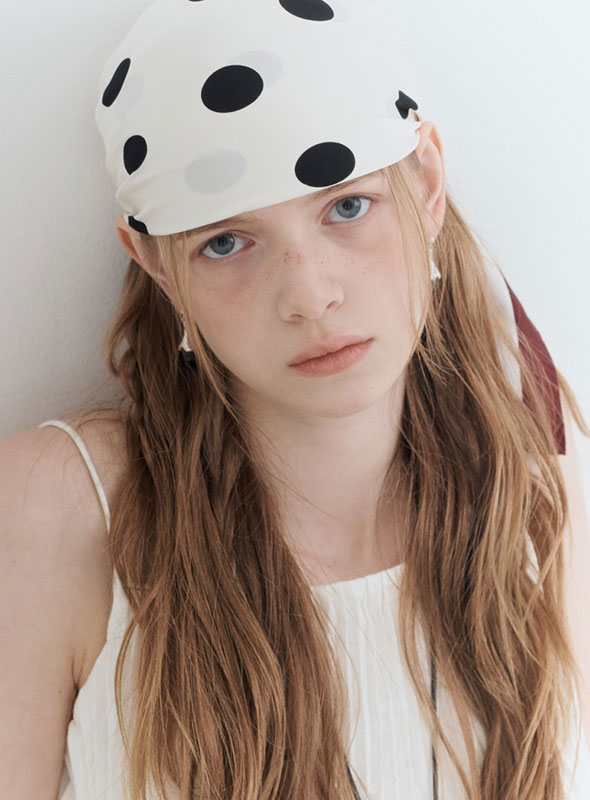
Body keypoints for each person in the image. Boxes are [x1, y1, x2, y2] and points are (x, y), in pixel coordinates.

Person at [2, 1, 590, 798]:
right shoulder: (57, 509)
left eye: (347, 206)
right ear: (156, 265)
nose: (311, 297)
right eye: (226, 242)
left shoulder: (537, 499)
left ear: (426, 184)